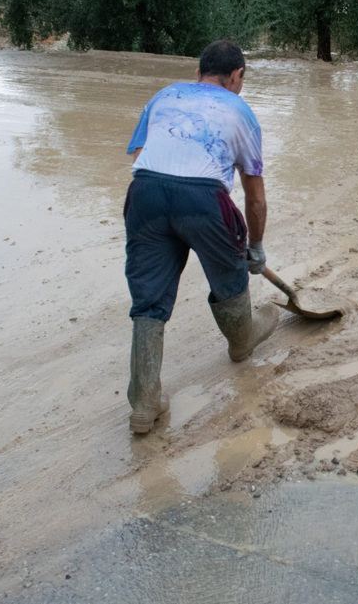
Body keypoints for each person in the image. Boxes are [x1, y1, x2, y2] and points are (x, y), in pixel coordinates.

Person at [122, 40, 279, 434]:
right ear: (236, 76)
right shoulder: (241, 111)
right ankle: (242, 340)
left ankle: (144, 401)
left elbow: (141, 153)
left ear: (198, 73)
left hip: (145, 193)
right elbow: (254, 197)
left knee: (149, 298)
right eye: (242, 79)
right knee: (229, 274)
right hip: (203, 199)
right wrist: (255, 247)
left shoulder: (164, 96)